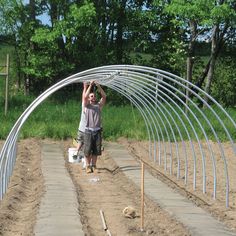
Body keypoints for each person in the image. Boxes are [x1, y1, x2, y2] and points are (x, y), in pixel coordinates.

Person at [83, 81, 106, 173]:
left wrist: (99, 86)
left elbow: (104, 96)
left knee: (96, 150)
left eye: (94, 96)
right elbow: (85, 97)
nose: (93, 97)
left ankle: (94, 166)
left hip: (97, 131)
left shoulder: (98, 106)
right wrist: (90, 86)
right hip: (88, 131)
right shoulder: (86, 106)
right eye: (91, 96)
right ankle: (88, 166)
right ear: (89, 98)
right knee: (87, 150)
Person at [75, 82, 88, 163]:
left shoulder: (85, 106)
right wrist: (85, 87)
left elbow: (84, 98)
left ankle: (77, 153)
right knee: (85, 144)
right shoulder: (86, 107)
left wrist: (85, 87)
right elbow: (84, 98)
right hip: (85, 130)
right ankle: (82, 157)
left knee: (80, 142)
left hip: (82, 129)